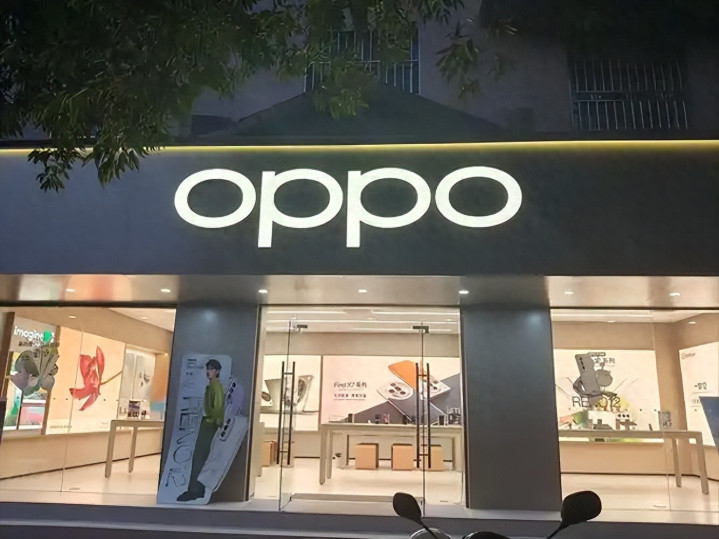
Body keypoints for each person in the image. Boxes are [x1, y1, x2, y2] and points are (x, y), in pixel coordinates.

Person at [177, 359, 225, 502]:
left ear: (217, 371)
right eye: (208, 369)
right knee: (200, 456)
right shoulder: (212, 386)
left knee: (200, 456)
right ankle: (196, 488)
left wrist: (216, 422)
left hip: (210, 423)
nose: (208, 371)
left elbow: (217, 407)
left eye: (212, 369)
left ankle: (195, 489)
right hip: (208, 422)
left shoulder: (216, 387)